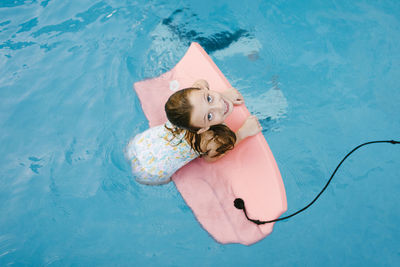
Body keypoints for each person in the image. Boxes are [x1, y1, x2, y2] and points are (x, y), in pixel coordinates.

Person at [125, 80, 262, 185]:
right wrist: (243, 132)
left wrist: (223, 96)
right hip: (151, 172)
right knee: (167, 180)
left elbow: (200, 83)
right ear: (202, 129)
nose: (219, 105)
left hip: (140, 144)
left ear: (201, 89)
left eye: (209, 98)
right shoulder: (212, 139)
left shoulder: (184, 112)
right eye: (209, 116)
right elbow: (210, 159)